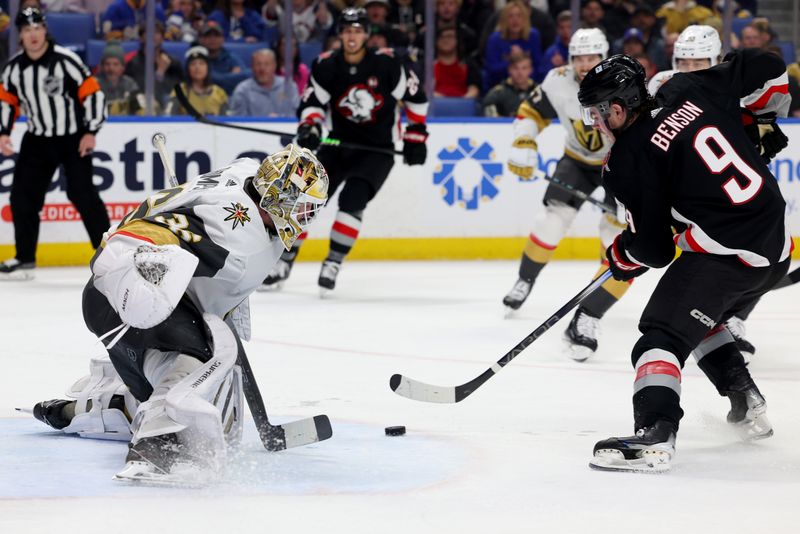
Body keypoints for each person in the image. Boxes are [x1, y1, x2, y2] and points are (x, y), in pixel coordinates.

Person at [29, 144, 329, 483]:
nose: (305, 218)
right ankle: (155, 449)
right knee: (194, 373)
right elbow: (140, 238)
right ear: (279, 198)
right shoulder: (240, 241)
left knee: (206, 392)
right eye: (303, 207)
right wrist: (127, 275)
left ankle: (96, 408)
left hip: (151, 298)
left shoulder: (245, 171)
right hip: (126, 295)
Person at [577, 51, 791, 472]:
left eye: (596, 114)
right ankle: (745, 401)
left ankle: (655, 432)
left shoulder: (626, 160)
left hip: (728, 254)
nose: (595, 124)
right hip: (776, 245)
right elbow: (764, 62)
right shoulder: (685, 87)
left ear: (617, 109)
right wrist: (762, 118)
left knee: (659, 337)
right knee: (699, 314)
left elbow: (654, 250)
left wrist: (622, 253)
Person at [260, 7, 428, 294]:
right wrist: (310, 127)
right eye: (347, 30)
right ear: (340, 34)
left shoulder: (387, 64)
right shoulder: (327, 65)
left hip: (378, 150)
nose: (352, 36)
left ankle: (333, 261)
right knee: (304, 195)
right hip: (338, 145)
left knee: (353, 199)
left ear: (366, 34)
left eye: (358, 30)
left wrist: (416, 136)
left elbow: (416, 100)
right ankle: (285, 258)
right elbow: (312, 104)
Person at [503, 28, 626, 363]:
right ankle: (525, 280)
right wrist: (524, 140)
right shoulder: (557, 81)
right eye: (579, 58)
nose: (585, 64)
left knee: (615, 239)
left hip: (621, 164)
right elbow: (531, 112)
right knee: (551, 221)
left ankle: (590, 313)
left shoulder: (625, 81)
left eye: (592, 57)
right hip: (576, 160)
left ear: (605, 56)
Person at [0, 8, 109, 280]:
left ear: (45, 30)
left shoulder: (65, 60)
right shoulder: (14, 68)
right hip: (37, 139)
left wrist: (91, 130)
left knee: (83, 194)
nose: (33, 34)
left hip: (72, 137)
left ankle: (108, 256)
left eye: (37, 28)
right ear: (21, 35)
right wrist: (3, 133)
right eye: (27, 30)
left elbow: (93, 94)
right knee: (22, 198)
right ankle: (25, 259)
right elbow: (7, 102)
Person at [647, 25, 721, 97]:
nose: (690, 70)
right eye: (684, 64)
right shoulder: (660, 83)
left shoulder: (727, 92)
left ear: (716, 63)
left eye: (698, 64)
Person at [124, 22, 183, 110]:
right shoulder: (133, 63)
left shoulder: (174, 64)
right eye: (148, 32)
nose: (152, 36)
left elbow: (177, 90)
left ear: (162, 37)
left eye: (156, 32)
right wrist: (160, 72)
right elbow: (140, 91)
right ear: (141, 38)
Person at [484, 0, 542, 88]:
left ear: (525, 19)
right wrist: (512, 60)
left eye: (519, 16)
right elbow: (491, 70)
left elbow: (538, 67)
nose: (515, 20)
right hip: (500, 86)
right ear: (504, 20)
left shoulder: (533, 36)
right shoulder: (495, 39)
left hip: (528, 86)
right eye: (510, 16)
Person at [230, 49, 300, 117]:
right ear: (252, 67)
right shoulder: (242, 90)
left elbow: (295, 115)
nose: (262, 68)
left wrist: (279, 120)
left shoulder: (289, 86)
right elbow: (237, 121)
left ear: (274, 66)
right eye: (258, 64)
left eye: (267, 64)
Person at [166, 46, 229, 116]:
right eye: (193, 64)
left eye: (201, 63)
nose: (197, 67)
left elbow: (226, 121)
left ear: (208, 68)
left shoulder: (219, 93)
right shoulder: (180, 91)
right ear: (188, 69)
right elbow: (169, 118)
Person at [198, 21, 250, 95]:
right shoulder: (196, 58)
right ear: (201, 39)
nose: (212, 39)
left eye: (216, 35)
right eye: (208, 35)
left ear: (222, 39)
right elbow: (215, 79)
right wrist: (233, 76)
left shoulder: (230, 56)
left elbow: (247, 76)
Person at [433, 25, 480, 98]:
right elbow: (425, 89)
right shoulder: (428, 65)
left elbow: (474, 89)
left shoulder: (468, 64)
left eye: (450, 37)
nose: (445, 40)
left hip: (464, 104)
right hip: (435, 105)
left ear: (457, 40)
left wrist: (460, 104)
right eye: (441, 37)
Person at [482, 51, 534, 117]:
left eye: (524, 68)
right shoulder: (497, 94)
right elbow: (490, 120)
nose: (520, 73)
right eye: (515, 68)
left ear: (531, 70)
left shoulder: (540, 92)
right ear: (509, 69)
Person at [96, 40, 141, 116]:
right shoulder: (94, 84)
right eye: (107, 64)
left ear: (122, 67)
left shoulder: (129, 84)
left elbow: (138, 109)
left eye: (115, 64)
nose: (111, 68)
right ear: (102, 67)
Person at [101, 0, 167, 41]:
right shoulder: (115, 8)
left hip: (150, 53)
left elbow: (165, 35)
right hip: (123, 51)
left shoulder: (156, 10)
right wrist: (123, 35)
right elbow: (106, 35)